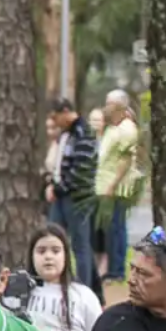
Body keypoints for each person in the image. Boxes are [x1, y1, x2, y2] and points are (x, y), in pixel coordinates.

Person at [46, 97, 99, 291]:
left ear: (66, 111)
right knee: (52, 236)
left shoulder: (84, 133)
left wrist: (59, 188)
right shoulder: (65, 134)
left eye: (56, 116)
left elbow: (81, 169)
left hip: (77, 198)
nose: (55, 121)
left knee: (80, 245)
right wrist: (52, 184)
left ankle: (85, 288)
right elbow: (59, 164)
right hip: (61, 196)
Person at [93, 89, 144, 285]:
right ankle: (112, 269)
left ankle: (117, 271)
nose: (106, 107)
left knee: (116, 229)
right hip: (105, 186)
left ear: (120, 106)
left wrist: (112, 185)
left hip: (117, 189)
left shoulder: (127, 128)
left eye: (110, 103)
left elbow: (124, 160)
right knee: (110, 229)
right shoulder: (113, 128)